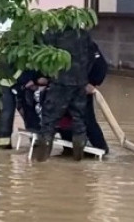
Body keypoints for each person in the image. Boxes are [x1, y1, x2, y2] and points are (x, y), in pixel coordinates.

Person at [32, 27, 96, 162]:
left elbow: (44, 58)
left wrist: (46, 76)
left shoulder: (52, 33)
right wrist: (84, 78)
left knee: (49, 122)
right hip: (80, 83)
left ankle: (41, 162)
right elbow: (91, 57)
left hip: (59, 83)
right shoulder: (83, 34)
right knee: (79, 121)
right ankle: (78, 161)